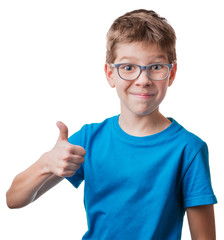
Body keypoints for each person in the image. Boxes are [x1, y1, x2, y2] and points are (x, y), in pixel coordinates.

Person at [6, 9, 217, 240]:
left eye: (156, 67)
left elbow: (204, 237)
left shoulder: (189, 149)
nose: (143, 80)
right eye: (128, 67)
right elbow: (14, 199)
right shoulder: (89, 140)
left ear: (172, 73)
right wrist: (46, 162)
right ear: (110, 73)